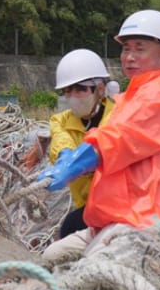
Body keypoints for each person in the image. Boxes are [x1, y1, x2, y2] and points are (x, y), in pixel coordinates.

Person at [37, 10, 160, 260]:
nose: (129, 57)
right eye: (126, 49)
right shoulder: (131, 97)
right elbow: (64, 132)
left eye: (139, 49)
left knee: (93, 269)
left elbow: (118, 138)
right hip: (112, 213)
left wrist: (77, 162)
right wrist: (67, 157)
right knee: (52, 256)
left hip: (145, 216)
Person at [47, 49, 115, 240]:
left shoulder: (117, 117)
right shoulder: (60, 120)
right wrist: (65, 155)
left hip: (118, 206)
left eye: (80, 89)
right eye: (67, 90)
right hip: (87, 208)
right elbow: (61, 140)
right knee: (69, 227)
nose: (73, 96)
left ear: (100, 89)